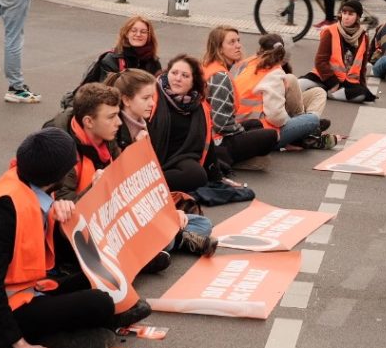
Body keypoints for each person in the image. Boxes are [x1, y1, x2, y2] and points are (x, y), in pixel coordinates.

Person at [0, 128, 151, 347]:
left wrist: (61, 216)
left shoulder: (31, 183)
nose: (74, 167)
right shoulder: (3, 210)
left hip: (25, 289)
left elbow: (49, 247)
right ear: (55, 176)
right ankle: (64, 335)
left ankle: (85, 331)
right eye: (71, 164)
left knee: (95, 274)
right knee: (99, 302)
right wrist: (17, 342)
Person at [103, 70, 218, 257]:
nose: (152, 103)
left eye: (153, 97)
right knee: (169, 238)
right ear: (126, 100)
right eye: (146, 98)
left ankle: (172, 238)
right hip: (125, 213)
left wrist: (170, 212)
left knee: (202, 224)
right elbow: (124, 187)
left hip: (145, 208)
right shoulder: (115, 132)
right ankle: (177, 240)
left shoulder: (144, 125)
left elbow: (151, 181)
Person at [233, 34, 333, 151]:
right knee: (312, 120)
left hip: (242, 124)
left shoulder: (248, 63)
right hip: (262, 130)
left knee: (318, 93)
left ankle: (306, 134)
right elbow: (276, 117)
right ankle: (307, 135)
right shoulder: (274, 72)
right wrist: (294, 122)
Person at [202, 26, 280, 170]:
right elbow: (222, 124)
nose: (238, 45)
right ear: (219, 48)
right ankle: (229, 160)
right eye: (231, 42)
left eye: (238, 41)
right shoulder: (220, 76)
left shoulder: (211, 66)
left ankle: (242, 156)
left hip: (214, 133)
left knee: (256, 124)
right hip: (216, 140)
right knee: (271, 135)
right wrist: (242, 132)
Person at [146, 54, 220, 192]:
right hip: (152, 156)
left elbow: (207, 141)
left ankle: (148, 184)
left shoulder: (199, 105)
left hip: (181, 157)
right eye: (174, 73)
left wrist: (216, 175)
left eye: (185, 76)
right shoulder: (152, 95)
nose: (178, 78)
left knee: (197, 176)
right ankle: (143, 184)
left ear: (193, 81)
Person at [299, 0, 377, 103]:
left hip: (347, 82)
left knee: (362, 95)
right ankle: (325, 90)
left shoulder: (363, 37)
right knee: (298, 85)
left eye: (350, 14)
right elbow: (320, 61)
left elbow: (362, 67)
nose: (346, 17)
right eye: (344, 13)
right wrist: (333, 82)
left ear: (358, 17)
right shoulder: (330, 31)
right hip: (325, 76)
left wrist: (363, 86)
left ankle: (328, 94)